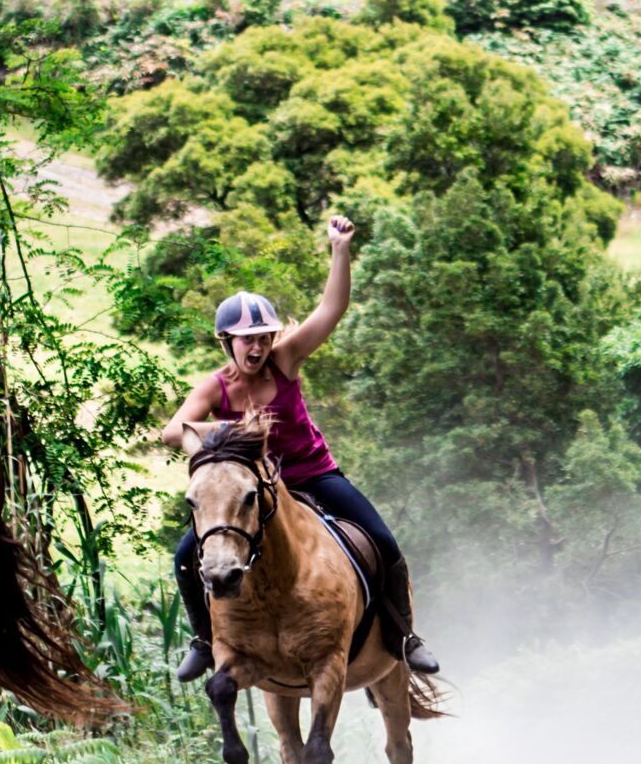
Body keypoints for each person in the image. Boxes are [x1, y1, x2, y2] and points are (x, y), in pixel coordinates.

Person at [155, 215, 439, 683]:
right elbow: (172, 432)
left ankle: (404, 638)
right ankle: (205, 641)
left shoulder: (285, 361)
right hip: (256, 491)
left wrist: (340, 248)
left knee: (384, 542)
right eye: (249, 339)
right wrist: (236, 432)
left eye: (265, 337)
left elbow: (332, 309)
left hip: (313, 476)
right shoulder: (215, 387)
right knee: (186, 556)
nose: (259, 346)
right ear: (228, 341)